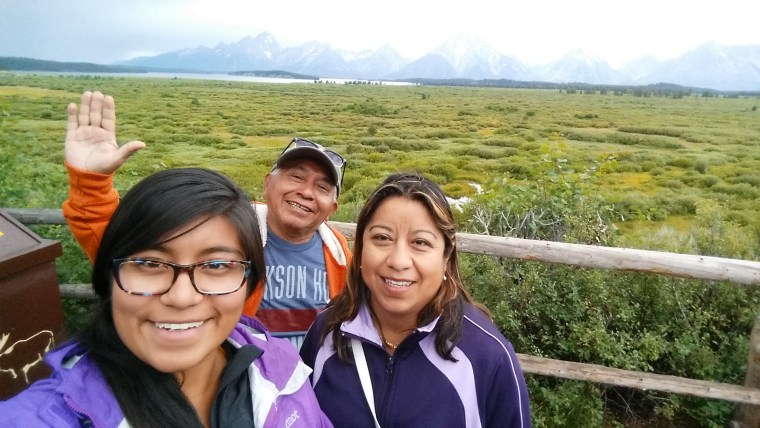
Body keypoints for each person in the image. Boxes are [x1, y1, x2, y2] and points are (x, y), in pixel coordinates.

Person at [0, 166, 332, 427]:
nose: (182, 297)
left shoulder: (284, 372)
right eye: (149, 263)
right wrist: (91, 183)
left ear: (250, 279)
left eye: (216, 265)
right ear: (110, 275)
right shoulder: (41, 416)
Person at [62, 91, 352, 349]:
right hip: (235, 379)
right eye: (296, 177)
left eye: (322, 187)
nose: (305, 192)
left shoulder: (337, 251)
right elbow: (121, 247)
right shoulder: (228, 228)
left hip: (309, 386)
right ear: (267, 185)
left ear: (333, 208)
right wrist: (91, 185)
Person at [299, 172, 531, 427]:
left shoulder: (488, 357)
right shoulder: (326, 331)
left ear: (446, 255)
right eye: (382, 238)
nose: (398, 261)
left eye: (420, 242)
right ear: (361, 247)